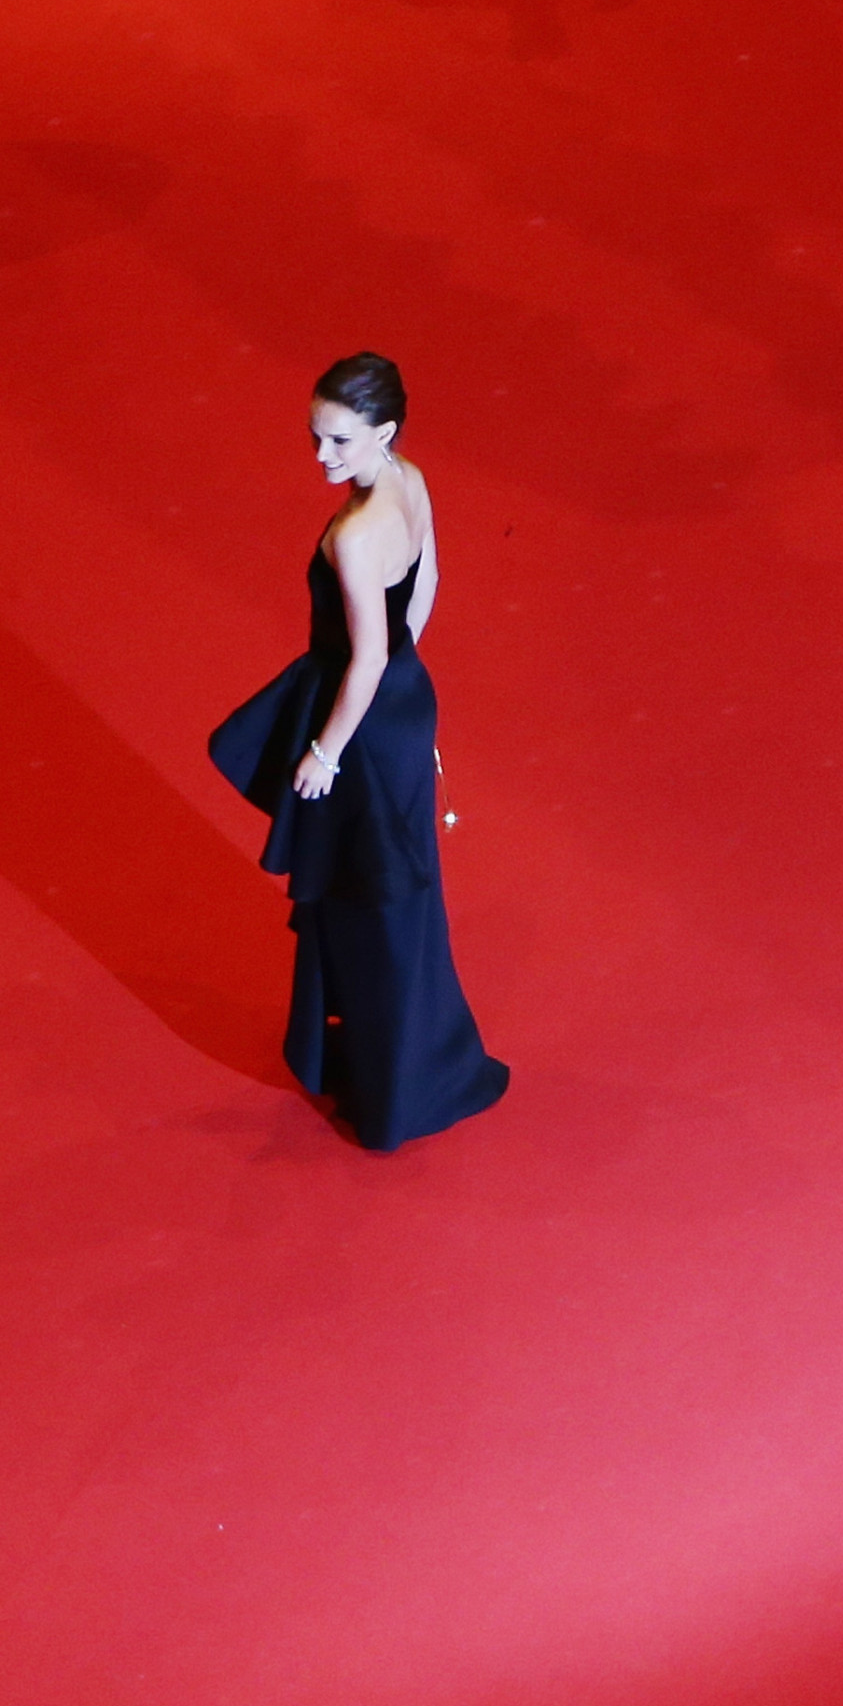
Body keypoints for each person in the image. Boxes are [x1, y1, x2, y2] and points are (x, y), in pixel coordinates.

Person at [209, 355, 509, 1151]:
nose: (321, 455)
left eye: (339, 440)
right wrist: (406, 684)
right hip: (404, 707)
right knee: (400, 900)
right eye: (314, 437)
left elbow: (365, 658)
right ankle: (413, 1059)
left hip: (361, 726)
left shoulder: (352, 535)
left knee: (370, 904)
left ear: (382, 431)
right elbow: (430, 581)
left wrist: (325, 752)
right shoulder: (409, 479)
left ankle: (398, 1089)